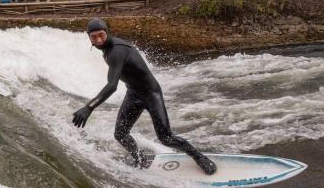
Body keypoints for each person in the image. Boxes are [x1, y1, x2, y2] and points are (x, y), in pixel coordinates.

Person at [72, 19, 217, 174]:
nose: (98, 40)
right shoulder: (107, 50)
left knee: (166, 137)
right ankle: (140, 159)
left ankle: (199, 157)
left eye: (101, 35)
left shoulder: (116, 51)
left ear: (108, 32)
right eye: (94, 37)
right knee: (120, 134)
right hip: (134, 94)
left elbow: (112, 86)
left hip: (150, 93)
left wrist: (89, 107)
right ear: (89, 37)